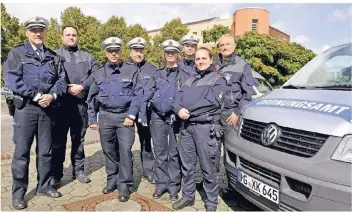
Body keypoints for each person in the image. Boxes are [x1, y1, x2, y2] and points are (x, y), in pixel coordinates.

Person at [3, 16, 67, 210]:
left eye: (41, 29)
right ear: (27, 32)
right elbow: (12, 79)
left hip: (48, 109)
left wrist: (53, 96)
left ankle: (44, 186)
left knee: (45, 152)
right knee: (21, 153)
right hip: (26, 109)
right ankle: (19, 194)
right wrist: (37, 95)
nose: (37, 33)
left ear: (45, 32)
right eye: (33, 30)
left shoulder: (53, 56)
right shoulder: (17, 53)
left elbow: (61, 80)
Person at [87, 37, 143, 202]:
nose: (113, 53)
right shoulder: (98, 73)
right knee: (109, 151)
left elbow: (138, 94)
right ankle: (112, 180)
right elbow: (91, 98)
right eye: (110, 51)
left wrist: (131, 115)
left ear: (120, 52)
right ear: (106, 52)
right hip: (105, 117)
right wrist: (93, 119)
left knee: (125, 151)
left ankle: (125, 185)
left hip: (124, 117)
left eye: (116, 50)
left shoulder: (131, 70)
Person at [171, 47, 227, 211]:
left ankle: (211, 203)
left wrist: (187, 110)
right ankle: (188, 197)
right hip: (186, 128)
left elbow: (211, 103)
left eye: (203, 58)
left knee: (208, 167)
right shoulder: (189, 80)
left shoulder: (218, 79)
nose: (200, 61)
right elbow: (176, 99)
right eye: (197, 59)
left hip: (205, 129)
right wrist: (178, 110)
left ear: (211, 60)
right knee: (187, 166)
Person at [140, 39, 193, 201]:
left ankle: (173, 185)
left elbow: (189, 96)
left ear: (178, 55)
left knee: (174, 153)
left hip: (176, 120)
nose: (170, 55)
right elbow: (146, 93)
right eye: (167, 52)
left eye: (173, 52)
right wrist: (143, 114)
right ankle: (161, 184)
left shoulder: (185, 75)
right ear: (164, 55)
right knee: (160, 152)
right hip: (157, 118)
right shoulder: (157, 74)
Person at [51, 25, 98, 188]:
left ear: (77, 37)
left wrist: (82, 86)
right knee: (58, 141)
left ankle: (78, 170)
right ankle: (56, 174)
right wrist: (67, 88)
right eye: (68, 35)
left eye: (74, 35)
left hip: (80, 105)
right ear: (61, 37)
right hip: (60, 105)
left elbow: (95, 75)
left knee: (78, 140)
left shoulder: (87, 56)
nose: (71, 37)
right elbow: (52, 76)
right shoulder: (54, 55)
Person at [213, 34, 254, 196]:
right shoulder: (213, 64)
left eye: (228, 44)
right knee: (212, 152)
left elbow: (247, 94)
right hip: (214, 114)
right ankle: (212, 183)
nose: (224, 47)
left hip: (231, 116)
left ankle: (232, 187)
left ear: (234, 46)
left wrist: (237, 112)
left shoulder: (243, 65)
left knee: (230, 153)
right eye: (221, 45)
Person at [126, 37, 157, 184]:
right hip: (128, 112)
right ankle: (127, 174)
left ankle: (148, 171)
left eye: (140, 50)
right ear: (130, 51)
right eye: (135, 50)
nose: (138, 53)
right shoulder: (123, 67)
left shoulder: (151, 68)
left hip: (146, 113)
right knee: (126, 144)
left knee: (146, 142)